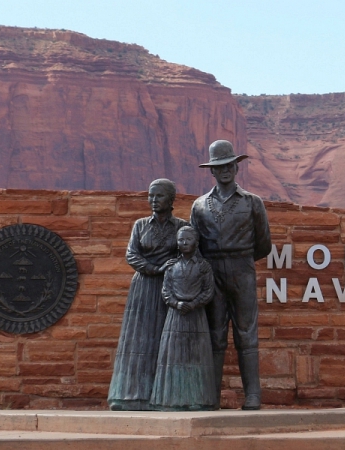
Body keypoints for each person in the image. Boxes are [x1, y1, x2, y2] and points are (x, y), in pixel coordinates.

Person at [190, 140, 271, 410]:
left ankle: (253, 396)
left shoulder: (252, 202)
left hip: (242, 268)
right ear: (211, 171)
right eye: (218, 166)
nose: (224, 170)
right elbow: (195, 244)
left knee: (247, 333)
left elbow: (264, 244)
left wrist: (241, 260)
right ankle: (210, 397)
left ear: (236, 167)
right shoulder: (199, 206)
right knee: (214, 335)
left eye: (228, 164)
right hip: (212, 270)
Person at [107, 179, 188, 411]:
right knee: (138, 339)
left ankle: (164, 396)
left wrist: (171, 269)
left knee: (166, 339)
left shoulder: (181, 226)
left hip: (170, 289)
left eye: (159, 196)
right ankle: (129, 395)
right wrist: (153, 269)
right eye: (150, 196)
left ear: (171, 200)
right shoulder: (141, 225)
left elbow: (190, 252)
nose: (153, 200)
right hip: (143, 287)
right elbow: (131, 254)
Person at [150, 226, 217, 411]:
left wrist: (195, 303)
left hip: (197, 316)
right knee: (173, 356)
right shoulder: (172, 267)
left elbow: (208, 290)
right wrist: (176, 304)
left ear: (196, 242)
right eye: (180, 240)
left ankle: (198, 399)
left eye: (188, 239)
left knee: (197, 357)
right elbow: (166, 291)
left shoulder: (204, 267)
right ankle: (171, 399)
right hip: (175, 316)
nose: (184, 243)